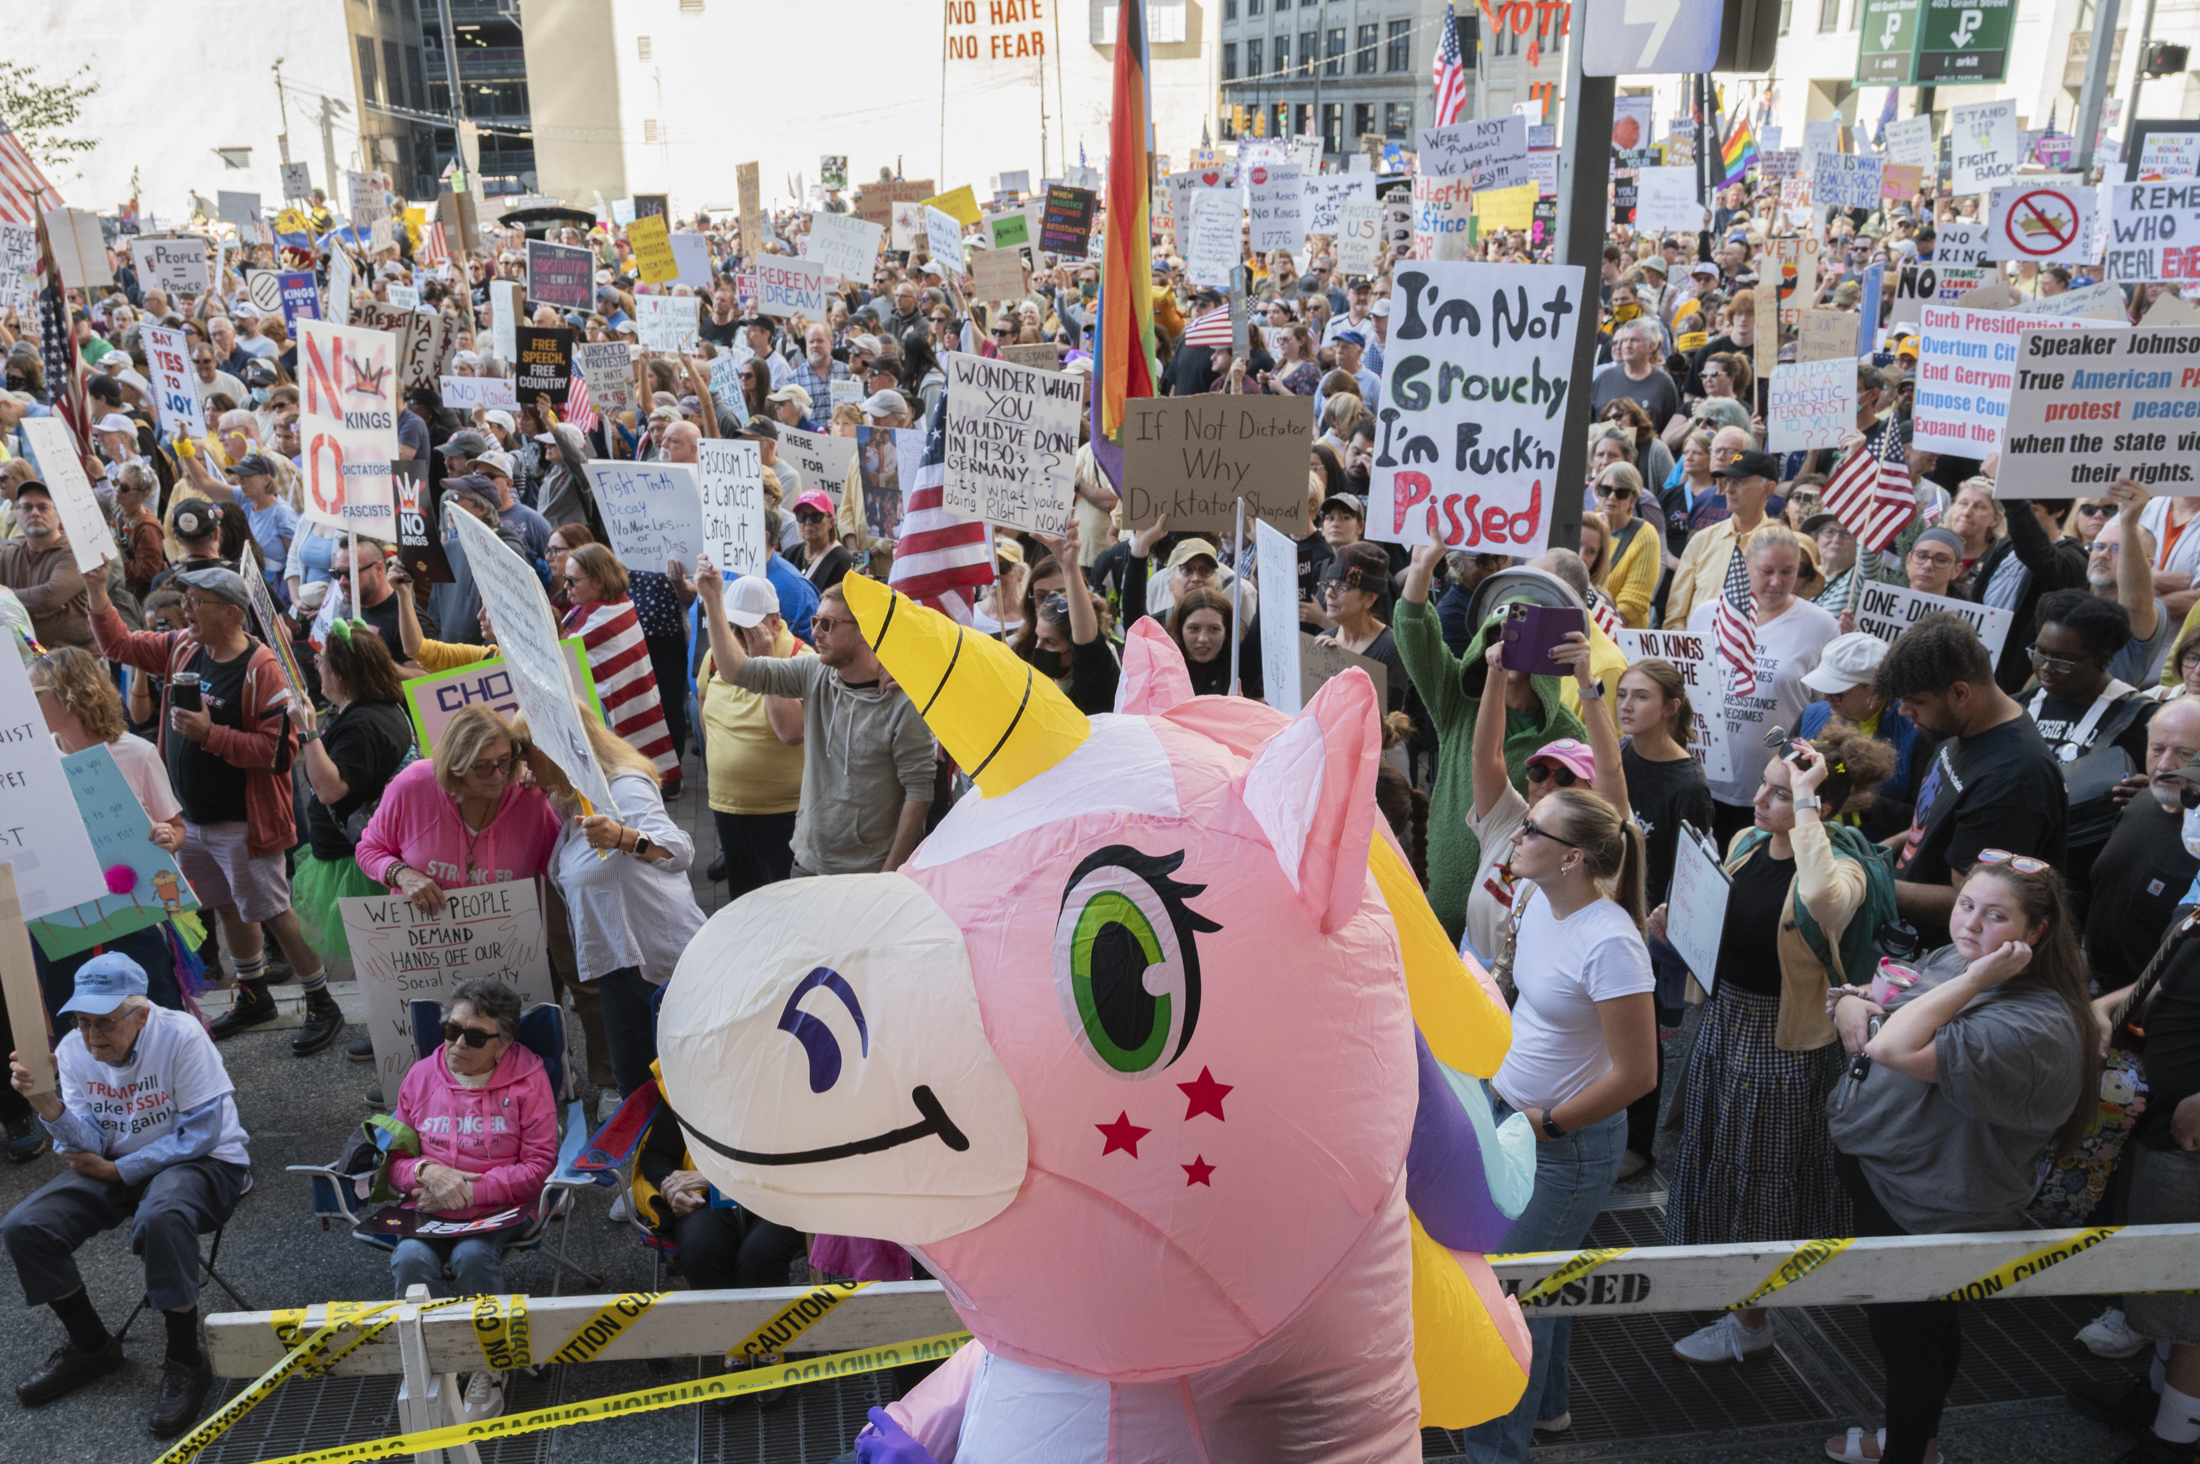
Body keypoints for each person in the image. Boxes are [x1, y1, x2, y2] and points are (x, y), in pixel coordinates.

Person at [1824, 857, 2095, 1464]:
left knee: (1909, 1346)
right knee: (1927, 1329)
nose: (1970, 924)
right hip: (1893, 1180)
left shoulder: (2031, 1026)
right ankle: (1919, 1443)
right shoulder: (1961, 959)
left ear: (2036, 934)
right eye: (1966, 903)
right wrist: (1847, 1000)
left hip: (1926, 1208)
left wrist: (1971, 982)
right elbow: (1882, 1002)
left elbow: (1891, 1043)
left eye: (1996, 916)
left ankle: (1910, 1452)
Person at [1652, 731, 1894, 1366]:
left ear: (1820, 808)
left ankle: (1752, 1321)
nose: (1759, 799)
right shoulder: (1746, 841)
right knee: (1716, 1165)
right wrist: (1675, 920)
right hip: (1729, 1024)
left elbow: (1821, 901)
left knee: (1759, 1184)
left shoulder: (1845, 870)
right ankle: (1733, 1298)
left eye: (1782, 795)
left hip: (1780, 1044)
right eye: (1763, 784)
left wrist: (1808, 804)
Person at [1464, 787, 1657, 1462]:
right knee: (1541, 1284)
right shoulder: (1536, 901)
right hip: (1515, 1116)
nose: (1517, 836)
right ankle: (1549, 1409)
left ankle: (1497, 1451)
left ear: (1572, 858)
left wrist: (1548, 1123)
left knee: (1512, 1302)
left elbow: (1638, 1075)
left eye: (1532, 830)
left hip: (1562, 1148)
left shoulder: (1612, 945)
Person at [88, 564, 343, 1054]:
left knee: (274, 911)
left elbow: (278, 752)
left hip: (244, 824)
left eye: (195, 602)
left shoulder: (260, 668)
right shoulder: (183, 646)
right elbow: (118, 645)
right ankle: (254, 994)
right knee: (225, 905)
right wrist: (98, 588)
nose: (184, 611)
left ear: (230, 613)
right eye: (183, 600)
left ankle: (321, 999)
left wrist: (211, 735)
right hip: (192, 819)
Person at [5, 954, 250, 1436]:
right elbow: (91, 1140)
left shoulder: (179, 1034)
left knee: (162, 1213)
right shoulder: (76, 1048)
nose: (93, 1037)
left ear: (141, 1014)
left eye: (105, 1024)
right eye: (83, 1022)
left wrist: (121, 1169)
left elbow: (201, 1133)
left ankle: (184, 1360)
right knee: (25, 1226)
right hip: (114, 1162)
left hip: (205, 1162)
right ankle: (93, 1346)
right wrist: (46, 1105)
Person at [384, 975, 558, 1423]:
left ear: (502, 1044)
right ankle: (433, 1362)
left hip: (500, 1208)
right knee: (409, 1260)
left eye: (475, 1036)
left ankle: (488, 1364)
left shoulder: (528, 1080)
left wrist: (466, 1191)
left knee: (473, 1257)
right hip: (428, 1203)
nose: (458, 1044)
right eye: (450, 1030)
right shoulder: (421, 1076)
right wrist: (425, 1171)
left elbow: (538, 1167)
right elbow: (397, 1162)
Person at [695, 557, 934, 876]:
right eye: (815, 621)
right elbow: (736, 670)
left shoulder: (902, 702)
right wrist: (712, 600)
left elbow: (919, 795)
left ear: (865, 631)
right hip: (806, 863)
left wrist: (891, 875)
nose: (816, 633)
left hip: (866, 874)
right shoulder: (814, 672)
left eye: (828, 624)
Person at [515, 709, 703, 1101]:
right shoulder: (567, 798)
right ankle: (651, 1160)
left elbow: (682, 851)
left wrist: (626, 838)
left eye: (523, 750)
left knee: (688, 1081)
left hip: (661, 964)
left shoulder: (624, 788)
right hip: (615, 966)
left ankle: (686, 1160)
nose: (520, 762)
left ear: (552, 747)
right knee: (634, 1086)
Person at [1877, 614, 2069, 942]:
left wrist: (1864, 884)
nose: (1904, 712)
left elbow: (1966, 901)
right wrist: (1873, 853)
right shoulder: (1957, 725)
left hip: (1942, 960)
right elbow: (1931, 823)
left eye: (1917, 701)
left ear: (1961, 693)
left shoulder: (2013, 780)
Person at [1461, 634, 1630, 972]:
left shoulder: (1599, 845)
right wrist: (1497, 674)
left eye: (1566, 777)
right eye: (1539, 771)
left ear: (1593, 793)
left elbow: (1611, 769)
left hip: (1533, 991)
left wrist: (1586, 682)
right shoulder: (1510, 818)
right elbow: (1486, 756)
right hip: (1468, 968)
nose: (1548, 783)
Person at [1686, 524, 1840, 846]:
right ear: (1745, 567)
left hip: (1768, 793)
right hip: (1699, 780)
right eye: (1766, 571)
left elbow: (1825, 709)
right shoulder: (1706, 615)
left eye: (1788, 571)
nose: (1777, 582)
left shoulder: (1821, 625)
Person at [286, 618, 417, 963]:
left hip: (354, 865)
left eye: (322, 661)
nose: (317, 667)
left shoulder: (363, 724)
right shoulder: (377, 709)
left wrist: (307, 730)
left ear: (344, 672)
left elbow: (329, 790)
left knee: (381, 961)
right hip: (353, 853)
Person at [2024, 589, 2156, 915]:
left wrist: (2150, 797)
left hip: (2082, 888)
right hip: (2013, 867)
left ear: (2104, 657)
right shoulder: (2018, 707)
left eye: (2064, 660)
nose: (2046, 668)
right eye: (2039, 653)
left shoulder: (2142, 719)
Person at [696, 574, 809, 899]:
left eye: (746, 629)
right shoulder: (717, 655)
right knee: (745, 903)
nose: (736, 637)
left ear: (774, 623)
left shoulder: (800, 660)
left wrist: (766, 661)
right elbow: (703, 700)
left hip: (782, 814)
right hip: (727, 807)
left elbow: (791, 731)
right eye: (731, 627)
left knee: (786, 906)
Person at [2084, 698, 2200, 991]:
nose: (2164, 766)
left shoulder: (2196, 839)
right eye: (2157, 749)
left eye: (2184, 754)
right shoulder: (2140, 801)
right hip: (2088, 980)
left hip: (2140, 1014)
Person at [559, 543, 679, 782]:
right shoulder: (620, 604)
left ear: (598, 581)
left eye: (572, 581)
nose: (565, 587)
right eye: (565, 579)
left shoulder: (600, 624)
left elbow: (562, 658)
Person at [1798, 632, 1930, 841]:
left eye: (1837, 691)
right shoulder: (1812, 714)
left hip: (1872, 850)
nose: (1825, 697)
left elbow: (1926, 816)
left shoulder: (1917, 733)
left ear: (1876, 690)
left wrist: (1871, 803)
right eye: (1823, 687)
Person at [0, 479, 92, 650]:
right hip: (25, 661)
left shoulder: (76, 552)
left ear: (58, 514)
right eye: (27, 508)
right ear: (17, 514)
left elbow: (48, 596)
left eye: (43, 507)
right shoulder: (8, 555)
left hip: (76, 660)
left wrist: (7, 597)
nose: (35, 513)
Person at [1593, 464, 1659, 629]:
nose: (1612, 497)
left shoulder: (1646, 535)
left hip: (1622, 637)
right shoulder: (1588, 525)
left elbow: (1633, 603)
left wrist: (1595, 628)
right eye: (1605, 490)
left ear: (1633, 498)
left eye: (1621, 492)